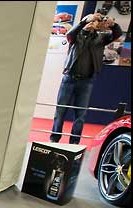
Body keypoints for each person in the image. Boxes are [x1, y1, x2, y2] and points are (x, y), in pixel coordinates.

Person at [50, 12, 122, 144]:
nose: (92, 23)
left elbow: (117, 33)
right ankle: (54, 140)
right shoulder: (76, 36)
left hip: (87, 82)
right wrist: (83, 22)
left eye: (94, 21)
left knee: (80, 116)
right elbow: (69, 34)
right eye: (90, 20)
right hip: (69, 79)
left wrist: (113, 24)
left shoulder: (101, 38)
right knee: (60, 112)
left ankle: (74, 143)